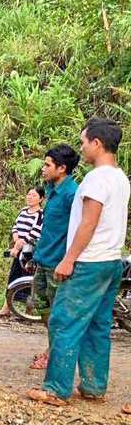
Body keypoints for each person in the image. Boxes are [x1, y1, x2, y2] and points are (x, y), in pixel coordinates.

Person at [28, 118, 130, 407]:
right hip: (110, 262)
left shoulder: (96, 179)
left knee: (64, 321)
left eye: (84, 142)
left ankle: (56, 389)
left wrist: (69, 258)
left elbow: (89, 221)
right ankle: (93, 385)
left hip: (88, 262)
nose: (82, 147)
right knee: (98, 325)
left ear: (97, 143)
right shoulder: (120, 178)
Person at [27, 145, 80, 370]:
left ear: (62, 168)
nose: (43, 168)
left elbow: (80, 228)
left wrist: (69, 260)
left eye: (48, 165)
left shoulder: (72, 194)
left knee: (59, 314)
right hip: (44, 259)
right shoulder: (50, 189)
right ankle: (53, 348)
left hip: (58, 263)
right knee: (41, 306)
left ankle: (56, 355)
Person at [0, 185, 45, 317]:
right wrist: (16, 241)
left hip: (30, 252)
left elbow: (34, 233)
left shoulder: (41, 215)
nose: (30, 197)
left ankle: (27, 311)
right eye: (29, 194)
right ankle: (7, 308)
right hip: (19, 250)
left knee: (29, 279)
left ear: (41, 198)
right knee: (13, 276)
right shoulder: (23, 211)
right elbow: (15, 227)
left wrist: (19, 244)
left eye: (34, 195)